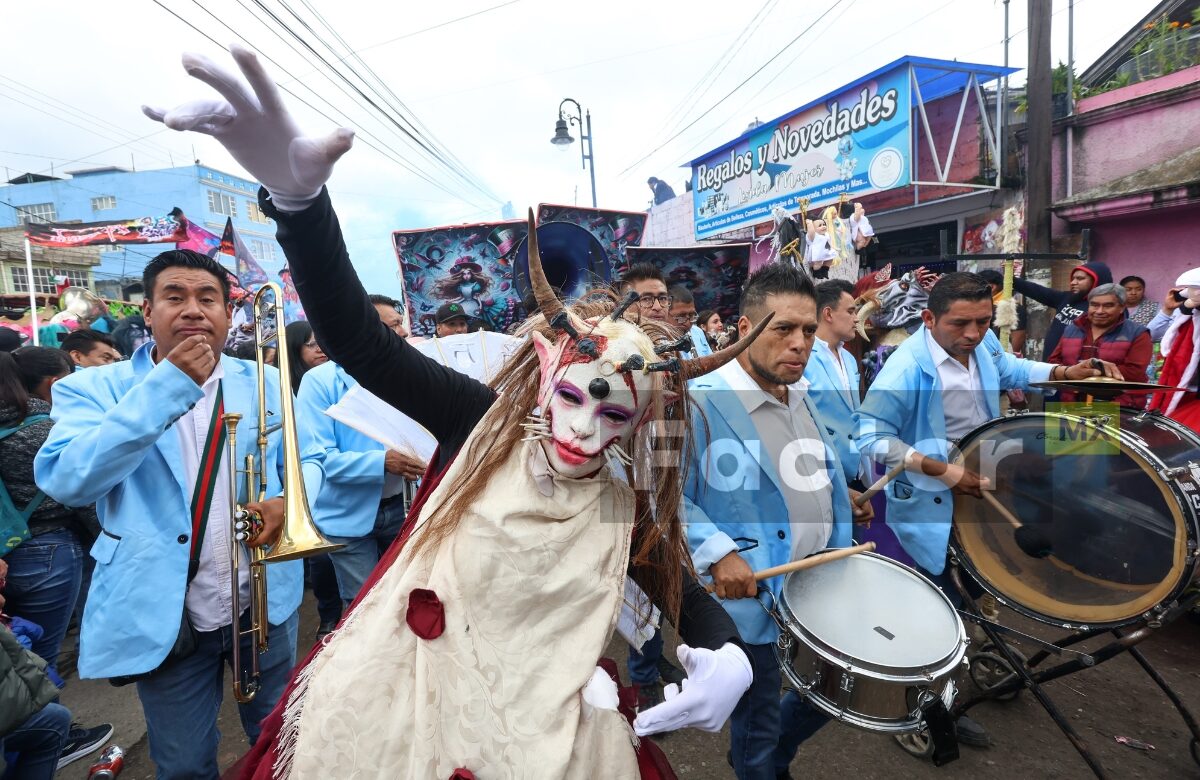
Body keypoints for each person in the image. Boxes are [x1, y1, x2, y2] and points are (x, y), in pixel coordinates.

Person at [143, 45, 758, 777]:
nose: (586, 432)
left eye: (616, 418)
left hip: (543, 726)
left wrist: (726, 653)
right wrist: (301, 207)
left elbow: (668, 578)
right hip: (414, 706)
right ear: (545, 375)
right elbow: (359, 342)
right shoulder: (479, 422)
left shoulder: (618, 495)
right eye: (571, 399)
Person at [34, 249, 312, 779]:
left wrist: (286, 503)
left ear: (229, 315)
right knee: (183, 764)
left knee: (283, 744)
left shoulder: (266, 381)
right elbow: (69, 480)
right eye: (174, 297)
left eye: (208, 298)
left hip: (263, 600)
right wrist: (166, 388)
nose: (192, 309)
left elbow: (308, 462)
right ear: (147, 312)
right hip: (165, 610)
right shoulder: (91, 387)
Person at [854, 272, 1122, 747]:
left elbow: (1012, 368)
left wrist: (1063, 373)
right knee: (932, 606)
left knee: (975, 586)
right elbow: (871, 437)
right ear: (929, 318)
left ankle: (964, 656)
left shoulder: (982, 346)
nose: (975, 334)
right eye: (961, 324)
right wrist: (944, 471)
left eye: (983, 322)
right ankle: (920, 705)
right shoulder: (904, 370)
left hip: (984, 485)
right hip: (934, 494)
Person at [683, 263, 868, 779]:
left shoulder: (801, 392)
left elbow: (797, 467)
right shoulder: (693, 400)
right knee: (758, 724)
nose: (799, 343)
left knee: (833, 691)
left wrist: (839, 498)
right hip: (752, 602)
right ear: (745, 330)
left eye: (808, 330)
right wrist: (717, 551)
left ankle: (762, 759)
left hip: (817, 584)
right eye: (782, 328)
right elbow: (659, 498)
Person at [296, 297, 426, 613]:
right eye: (394, 325)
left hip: (405, 508)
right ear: (366, 328)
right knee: (364, 608)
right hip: (347, 515)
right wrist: (382, 462)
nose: (405, 331)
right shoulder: (319, 382)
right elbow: (318, 458)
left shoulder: (409, 371)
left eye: (401, 322)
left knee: (408, 596)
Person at [283, 320, 343, 641]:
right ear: (294, 349)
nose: (320, 349)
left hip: (336, 481)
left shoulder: (333, 380)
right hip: (311, 485)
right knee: (320, 558)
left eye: (322, 342)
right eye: (310, 344)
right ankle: (329, 613)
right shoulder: (284, 387)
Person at [1048, 283, 1152, 407]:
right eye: (1094, 305)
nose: (1099, 311)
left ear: (1122, 308)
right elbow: (1053, 362)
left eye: (1108, 306)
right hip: (1071, 404)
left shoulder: (1138, 333)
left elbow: (1135, 372)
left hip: (1120, 408)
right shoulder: (1072, 329)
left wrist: (1084, 373)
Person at [807, 279, 867, 486]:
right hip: (822, 471)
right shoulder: (803, 359)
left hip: (857, 467)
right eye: (851, 311)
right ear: (828, 314)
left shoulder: (849, 359)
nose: (857, 319)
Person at [1012, 261, 1112, 360]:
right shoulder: (1066, 298)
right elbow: (1035, 290)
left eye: (1080, 279)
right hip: (1052, 364)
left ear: (1096, 281)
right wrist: (1010, 278)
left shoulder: (1105, 310)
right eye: (1073, 278)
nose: (1073, 282)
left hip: (1077, 368)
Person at [668, 286, 713, 358]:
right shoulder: (659, 341)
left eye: (692, 315)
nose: (688, 323)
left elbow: (711, 361)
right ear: (665, 314)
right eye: (681, 316)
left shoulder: (698, 332)